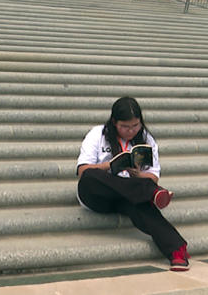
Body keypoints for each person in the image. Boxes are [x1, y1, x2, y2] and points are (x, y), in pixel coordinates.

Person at [76, 96, 190, 271]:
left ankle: (177, 251)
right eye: (125, 127)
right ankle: (149, 192)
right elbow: (83, 171)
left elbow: (153, 178)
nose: (130, 131)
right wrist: (109, 165)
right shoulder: (97, 134)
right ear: (114, 122)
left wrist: (138, 174)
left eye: (135, 126)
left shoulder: (146, 139)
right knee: (90, 177)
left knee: (140, 205)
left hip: (129, 195)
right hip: (98, 195)